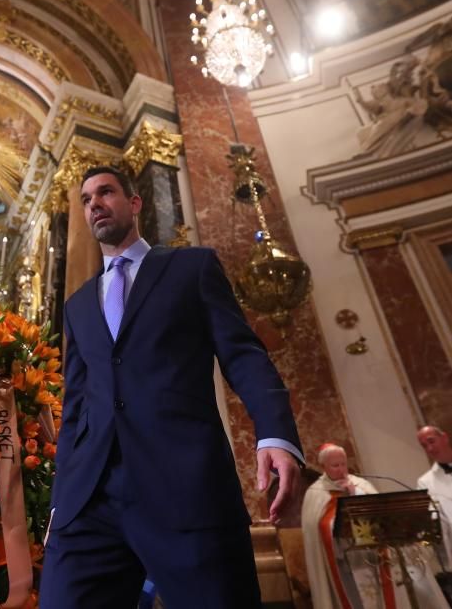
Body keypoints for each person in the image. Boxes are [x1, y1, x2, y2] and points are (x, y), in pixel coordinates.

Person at [39, 166, 303, 609]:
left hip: (184, 486)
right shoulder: (77, 305)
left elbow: (242, 354)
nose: (95, 204)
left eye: (105, 192)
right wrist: (60, 501)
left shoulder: (191, 268)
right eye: (86, 200)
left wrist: (274, 433)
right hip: (91, 502)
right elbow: (76, 407)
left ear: (135, 202)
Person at [302, 443, 378, 608]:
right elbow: (316, 528)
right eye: (335, 465)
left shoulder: (361, 485)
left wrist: (354, 494)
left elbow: (377, 512)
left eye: (343, 463)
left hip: (368, 557)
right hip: (340, 559)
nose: (342, 469)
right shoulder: (315, 493)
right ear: (323, 467)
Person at [417, 425, 452, 565]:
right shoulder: (425, 482)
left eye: (431, 441)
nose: (430, 449)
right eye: (424, 446)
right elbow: (433, 520)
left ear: (444, 438)